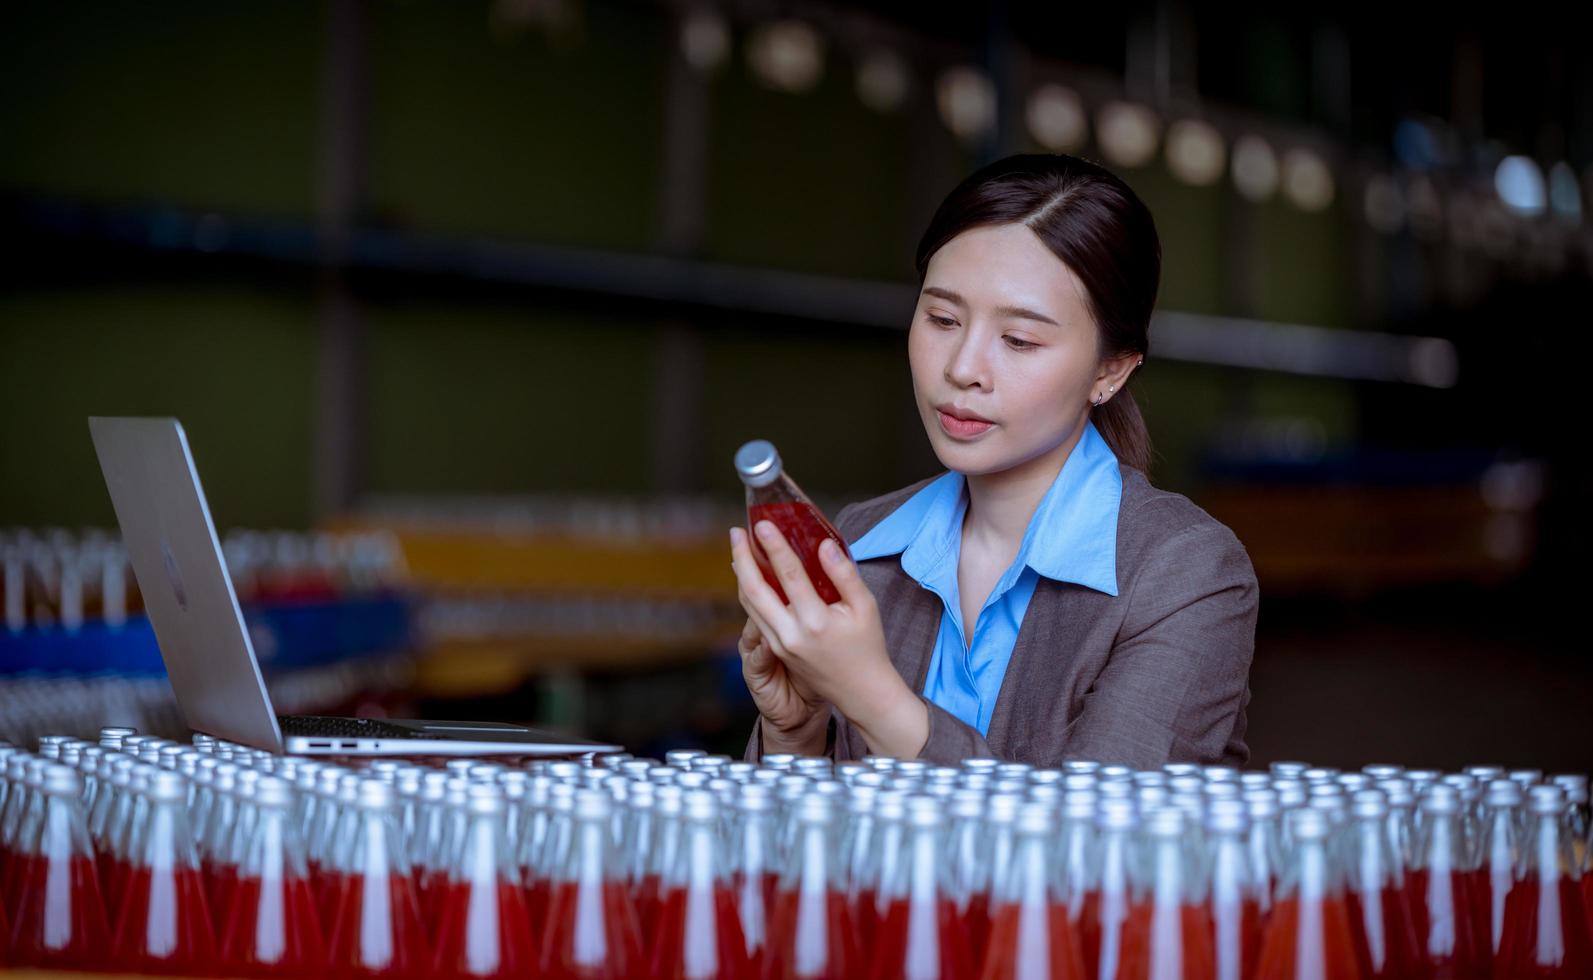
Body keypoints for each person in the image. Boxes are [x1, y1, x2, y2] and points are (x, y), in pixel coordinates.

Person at [729, 153, 1258, 769]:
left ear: (1110, 370)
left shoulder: (1184, 575)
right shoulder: (859, 545)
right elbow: (787, 858)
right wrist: (795, 734)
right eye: (943, 318)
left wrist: (872, 698)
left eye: (1018, 340)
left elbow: (1095, 846)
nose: (962, 368)